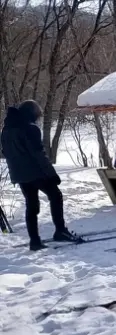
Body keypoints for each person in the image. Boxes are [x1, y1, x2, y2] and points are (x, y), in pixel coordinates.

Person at [0, 100, 79, 250]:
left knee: (31, 205)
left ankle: (35, 241)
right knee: (56, 196)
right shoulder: (30, 129)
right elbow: (39, 154)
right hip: (36, 172)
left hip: (19, 174)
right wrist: (52, 175)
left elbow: (5, 152)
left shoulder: (6, 129)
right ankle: (60, 231)